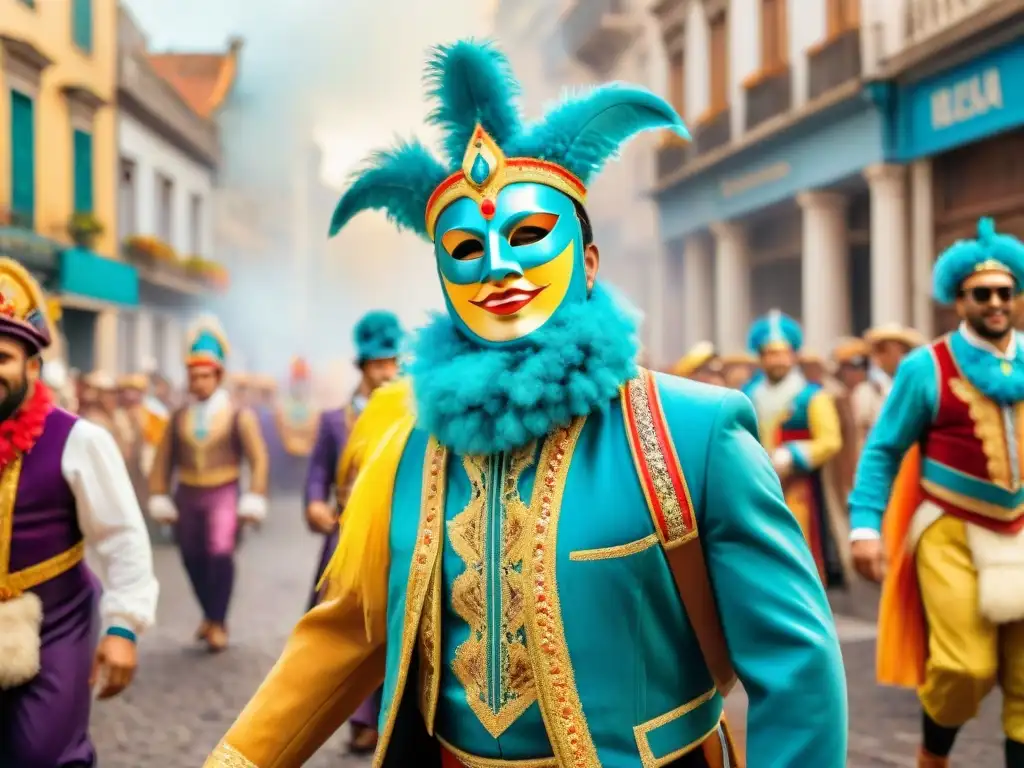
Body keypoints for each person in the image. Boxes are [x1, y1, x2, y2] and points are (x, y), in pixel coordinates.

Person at [204, 40, 846, 768]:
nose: (500, 264)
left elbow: (797, 664)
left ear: (590, 261)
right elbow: (348, 633)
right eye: (467, 249)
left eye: (529, 235)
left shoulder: (692, 431)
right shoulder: (409, 450)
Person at [849, 218, 1024, 768]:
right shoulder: (926, 366)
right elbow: (882, 450)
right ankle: (932, 757)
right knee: (962, 668)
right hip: (949, 529)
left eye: (1005, 292)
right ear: (958, 299)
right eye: (981, 293)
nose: (995, 303)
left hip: (1022, 531)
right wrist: (864, 528)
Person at [0, 258, 158, 767]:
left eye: (1, 357)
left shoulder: (80, 440)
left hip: (56, 624)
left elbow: (122, 539)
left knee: (43, 755)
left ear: (31, 366)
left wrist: (123, 627)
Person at [304, 309, 404, 755]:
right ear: (362, 366)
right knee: (347, 625)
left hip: (394, 534)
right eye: (379, 363)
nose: (387, 372)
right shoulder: (332, 421)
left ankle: (384, 717)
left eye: (392, 362)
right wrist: (313, 504)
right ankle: (356, 718)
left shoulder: (411, 418)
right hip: (344, 536)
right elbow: (317, 473)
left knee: (392, 625)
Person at [148, 315, 269, 652]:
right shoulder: (178, 416)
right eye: (193, 376)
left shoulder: (237, 414)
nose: (198, 383)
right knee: (190, 555)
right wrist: (159, 494)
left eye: (205, 376)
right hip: (187, 493)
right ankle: (207, 612)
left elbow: (258, 458)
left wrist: (255, 496)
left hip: (223, 492)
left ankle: (218, 620)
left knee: (219, 553)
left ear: (218, 376)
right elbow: (162, 460)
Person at [743, 310, 851, 587]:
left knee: (799, 552)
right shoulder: (746, 395)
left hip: (800, 490)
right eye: (769, 353)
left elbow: (830, 441)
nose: (776, 359)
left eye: (782, 353)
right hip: (755, 487)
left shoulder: (812, 396)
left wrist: (793, 454)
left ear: (794, 355)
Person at [850, 323, 925, 453]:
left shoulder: (918, 385)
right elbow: (860, 436)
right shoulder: (866, 391)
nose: (878, 355)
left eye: (883, 348)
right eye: (877, 349)